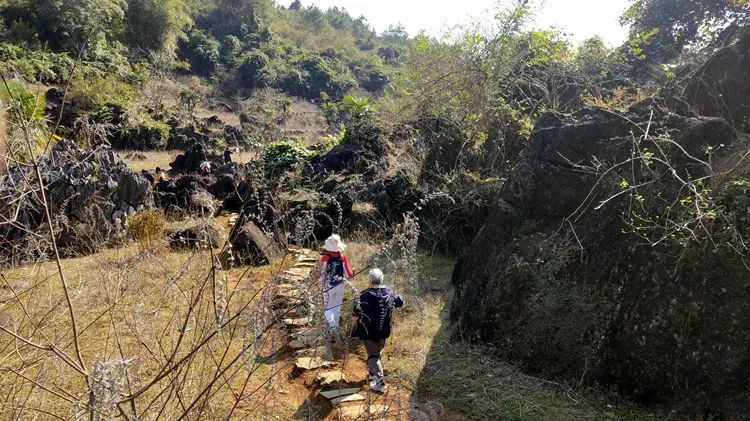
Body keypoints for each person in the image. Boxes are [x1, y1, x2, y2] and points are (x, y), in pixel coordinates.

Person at [351, 268, 404, 393]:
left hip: (368, 330)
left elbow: (355, 311)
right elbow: (400, 301)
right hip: (384, 330)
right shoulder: (389, 293)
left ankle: (380, 383)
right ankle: (372, 375)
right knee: (376, 352)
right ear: (382, 279)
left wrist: (354, 321)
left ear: (370, 280)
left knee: (373, 355)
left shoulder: (364, 295)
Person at [319, 234, 354, 330]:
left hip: (328, 285)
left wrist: (320, 285)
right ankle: (335, 327)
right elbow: (349, 274)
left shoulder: (325, 258)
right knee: (337, 307)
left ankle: (332, 327)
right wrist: (353, 271)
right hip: (340, 285)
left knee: (328, 307)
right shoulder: (343, 258)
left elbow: (321, 273)